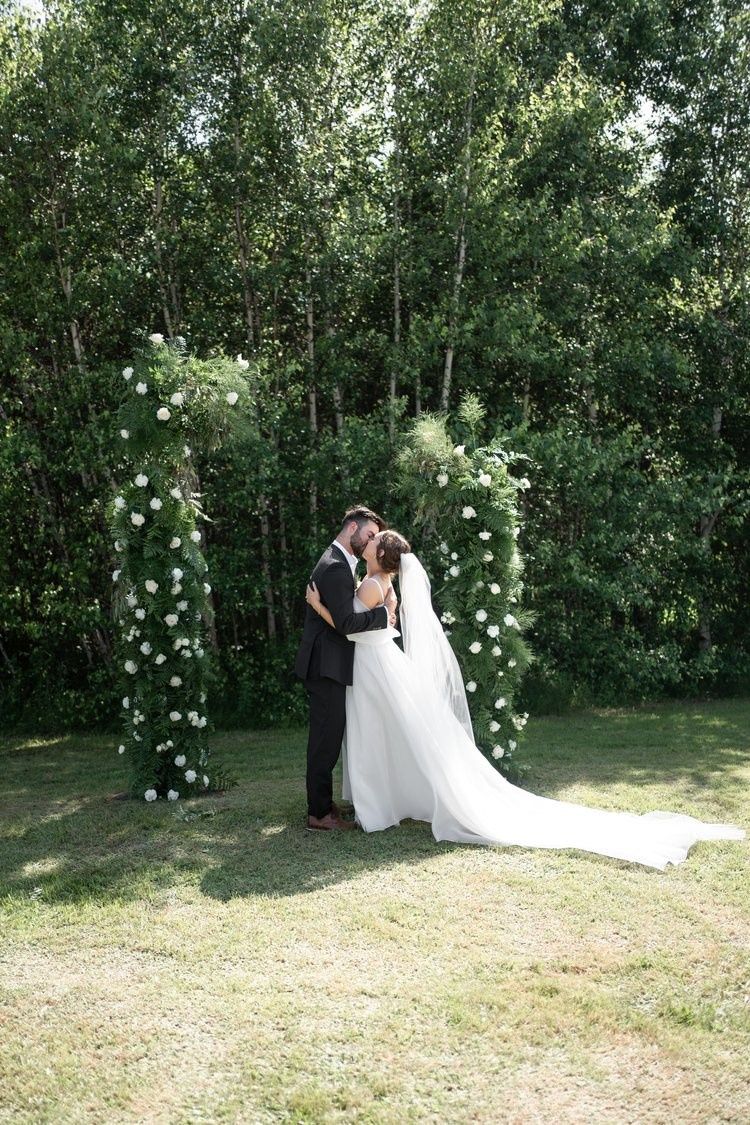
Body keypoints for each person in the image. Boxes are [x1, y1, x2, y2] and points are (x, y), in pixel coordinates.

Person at [306, 530, 745, 868]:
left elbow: (350, 628)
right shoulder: (382, 582)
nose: (369, 539)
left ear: (379, 555)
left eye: (375, 540)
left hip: (375, 667)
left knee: (377, 733)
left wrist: (318, 606)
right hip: (378, 665)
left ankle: (380, 804)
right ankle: (385, 801)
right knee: (389, 735)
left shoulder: (370, 585)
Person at [295, 507, 396, 832]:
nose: (370, 541)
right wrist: (384, 615)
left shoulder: (340, 562)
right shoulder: (337, 567)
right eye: (368, 534)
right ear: (352, 527)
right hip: (326, 665)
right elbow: (347, 624)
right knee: (325, 739)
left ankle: (323, 805)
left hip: (330, 663)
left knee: (329, 735)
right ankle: (319, 815)